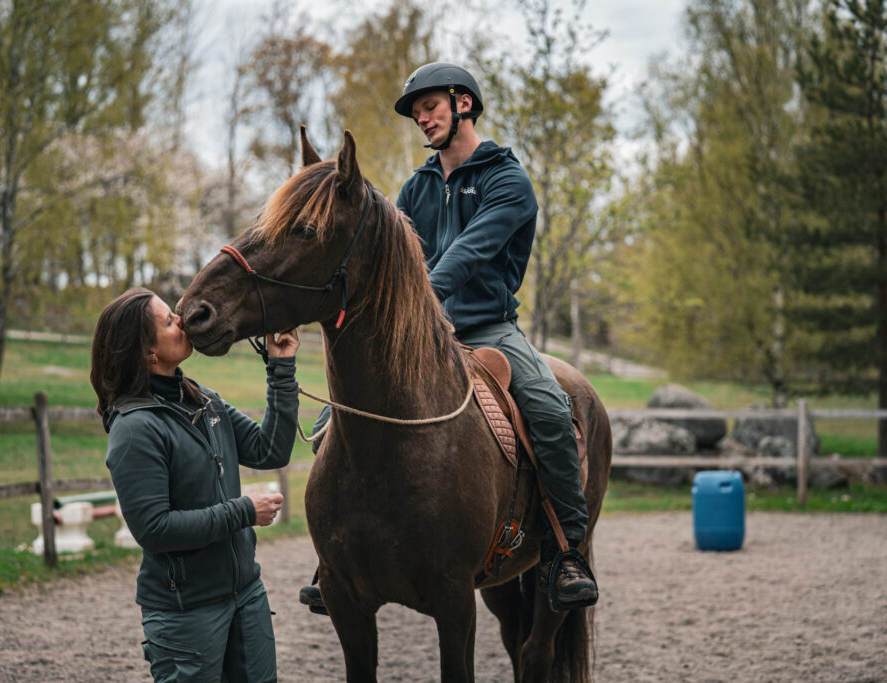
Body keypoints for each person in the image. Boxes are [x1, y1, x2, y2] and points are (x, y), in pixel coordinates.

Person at [300, 62, 597, 614]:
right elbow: (392, 260)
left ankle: (566, 552)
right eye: (416, 113)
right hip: (420, 333)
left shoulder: (507, 181)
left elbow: (469, 253)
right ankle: (337, 558)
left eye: (430, 106)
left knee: (552, 414)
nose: (422, 119)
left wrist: (417, 300)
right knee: (331, 424)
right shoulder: (415, 187)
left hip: (489, 330)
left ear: (463, 103)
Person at [91, 287, 299, 682]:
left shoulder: (205, 400)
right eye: (169, 321)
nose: (181, 322)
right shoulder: (135, 429)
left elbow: (270, 449)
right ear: (146, 351)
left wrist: (281, 367)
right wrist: (243, 511)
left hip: (246, 595)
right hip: (186, 613)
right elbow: (155, 530)